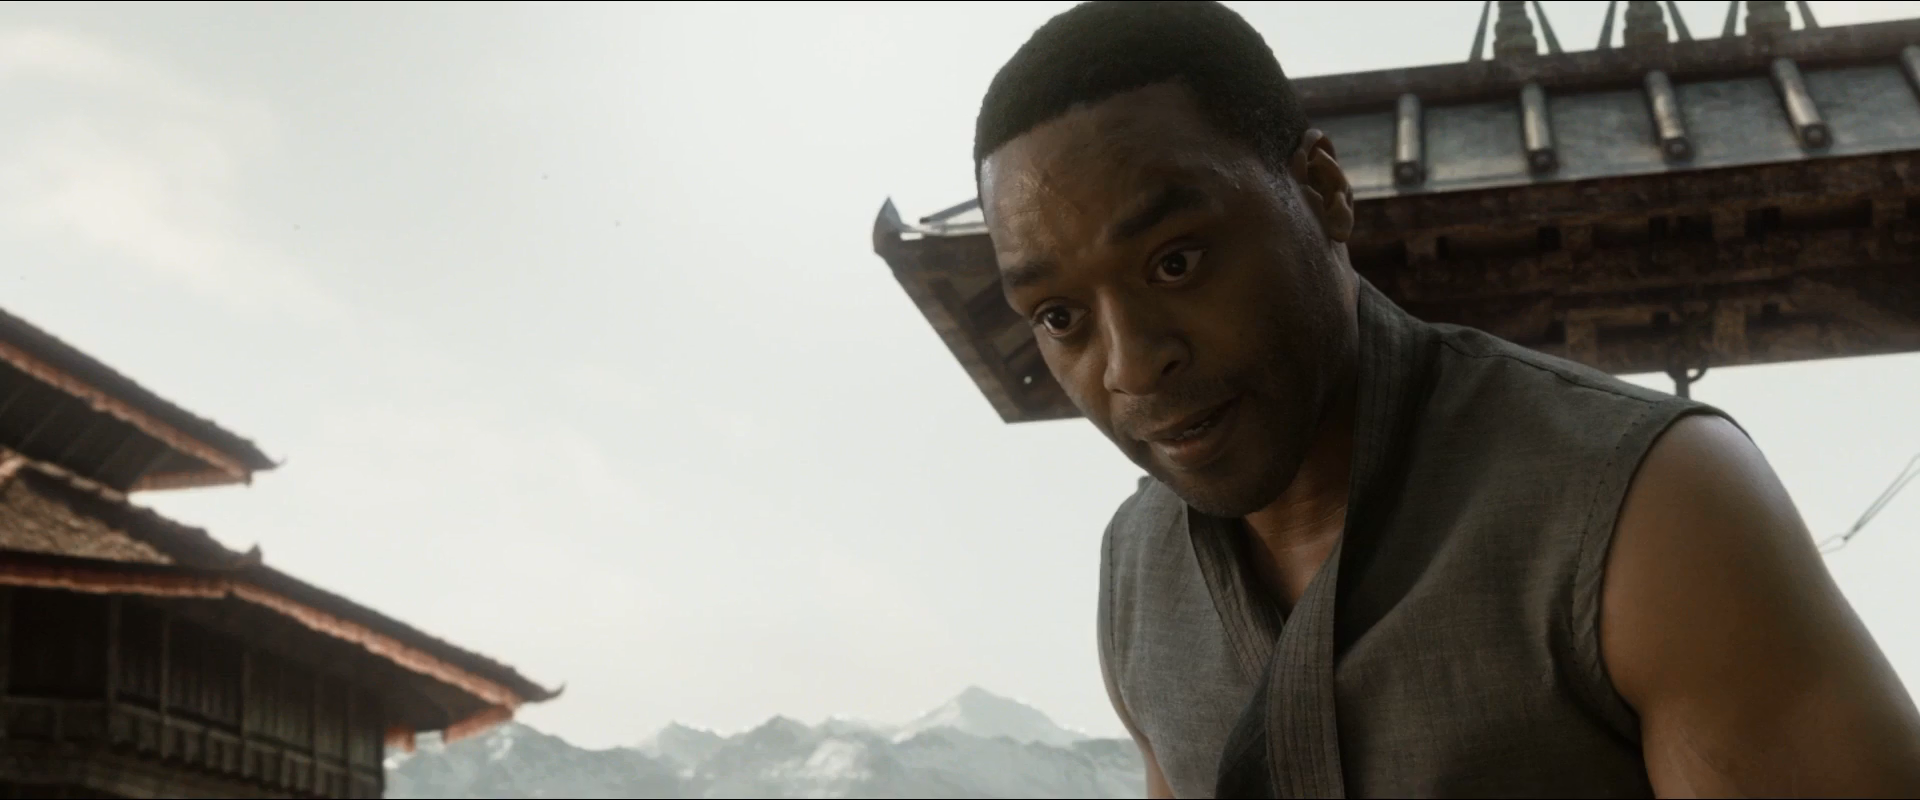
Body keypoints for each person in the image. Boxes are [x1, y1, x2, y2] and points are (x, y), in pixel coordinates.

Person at [969, 2, 1920, 797]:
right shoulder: (1139, 575)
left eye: (1177, 262)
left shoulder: (1649, 508)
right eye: (1060, 317)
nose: (1132, 366)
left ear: (1323, 190)